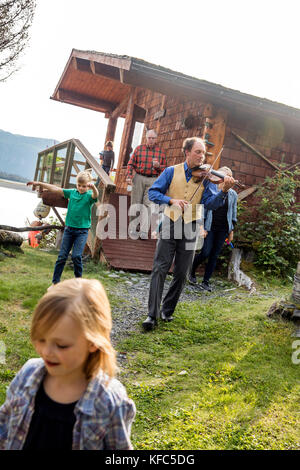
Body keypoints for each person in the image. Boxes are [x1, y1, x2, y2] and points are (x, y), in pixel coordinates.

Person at [0, 278, 136, 450]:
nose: (47, 352)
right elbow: (4, 426)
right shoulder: (28, 374)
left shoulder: (109, 401)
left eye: (61, 345)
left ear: (93, 342)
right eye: (41, 339)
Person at [142, 137, 235, 331]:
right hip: (170, 221)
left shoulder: (207, 177)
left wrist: (224, 192)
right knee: (160, 268)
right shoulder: (170, 171)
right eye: (198, 152)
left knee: (182, 273)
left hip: (192, 225)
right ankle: (152, 314)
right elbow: (153, 193)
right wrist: (170, 200)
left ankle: (167, 310)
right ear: (187, 152)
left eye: (204, 153)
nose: (202, 156)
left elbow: (210, 203)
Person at [27, 170, 98, 288]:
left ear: (89, 185)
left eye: (84, 186)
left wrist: (94, 188)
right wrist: (39, 183)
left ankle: (78, 283)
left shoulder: (89, 196)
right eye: (79, 185)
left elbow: (96, 195)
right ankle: (55, 283)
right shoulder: (71, 193)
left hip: (82, 232)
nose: (81, 188)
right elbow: (55, 189)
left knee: (76, 256)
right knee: (62, 257)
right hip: (69, 230)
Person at [188, 166, 238, 291]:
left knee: (214, 255)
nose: (223, 179)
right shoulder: (211, 188)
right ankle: (192, 271)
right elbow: (204, 207)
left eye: (227, 176)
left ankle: (206, 282)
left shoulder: (233, 194)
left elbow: (233, 213)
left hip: (223, 228)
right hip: (209, 226)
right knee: (205, 252)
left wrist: (231, 231)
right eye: (222, 176)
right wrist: (201, 226)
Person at [126, 129, 167, 239]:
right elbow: (130, 164)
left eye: (153, 138)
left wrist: (159, 166)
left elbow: (165, 169)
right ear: (146, 138)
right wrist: (129, 176)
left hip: (153, 180)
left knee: (148, 206)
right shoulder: (139, 149)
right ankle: (133, 228)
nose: (151, 140)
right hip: (138, 177)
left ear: (156, 139)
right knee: (135, 203)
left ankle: (144, 231)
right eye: (149, 138)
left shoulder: (160, 152)